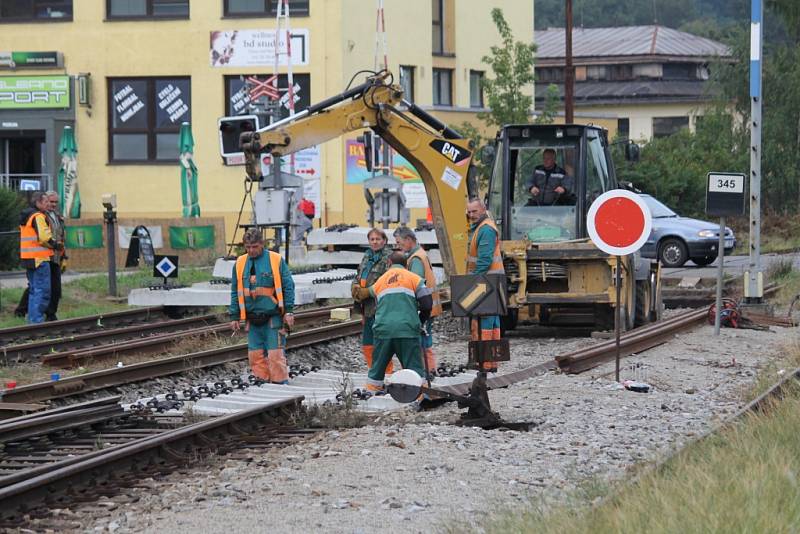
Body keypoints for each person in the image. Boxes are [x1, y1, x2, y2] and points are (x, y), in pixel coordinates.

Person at [354, 252, 433, 393]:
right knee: (413, 367)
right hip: (407, 329)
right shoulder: (415, 279)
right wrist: (419, 321)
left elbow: (368, 297)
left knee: (377, 367)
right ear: (406, 264)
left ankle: (371, 391)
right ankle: (418, 394)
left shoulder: (380, 281)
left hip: (383, 330)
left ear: (389, 263)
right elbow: (427, 304)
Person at [230, 228, 296, 384]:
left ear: (262, 244)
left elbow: (288, 286)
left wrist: (289, 311)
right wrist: (234, 315)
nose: (251, 250)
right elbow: (235, 290)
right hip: (252, 320)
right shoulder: (239, 264)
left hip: (273, 317)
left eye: (254, 246)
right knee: (255, 356)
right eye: (248, 247)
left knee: (275, 355)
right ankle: (263, 384)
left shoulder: (275, 260)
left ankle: (281, 387)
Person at [394, 226, 441, 377]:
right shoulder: (421, 254)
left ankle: (427, 373)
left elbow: (414, 286)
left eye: (399, 242)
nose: (398, 246)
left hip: (422, 309)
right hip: (428, 307)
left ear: (408, 240)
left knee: (422, 342)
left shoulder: (415, 260)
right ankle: (430, 371)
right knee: (426, 341)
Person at [465, 198, 505, 371]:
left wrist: (471, 281)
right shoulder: (482, 227)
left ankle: (484, 362)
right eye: (469, 211)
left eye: (474, 211)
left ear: (483, 210)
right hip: (490, 281)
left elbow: (485, 260)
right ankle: (490, 362)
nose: (471, 215)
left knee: (484, 322)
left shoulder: (486, 229)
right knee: (492, 321)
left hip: (485, 282)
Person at [15, 192, 69, 321]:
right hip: (41, 258)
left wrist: (63, 255)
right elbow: (45, 238)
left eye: (55, 202)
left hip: (30, 258)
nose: (50, 204)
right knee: (41, 291)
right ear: (38, 202)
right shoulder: (38, 216)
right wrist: (56, 246)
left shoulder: (29, 215)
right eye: (47, 202)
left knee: (35, 290)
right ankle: (36, 321)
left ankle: (35, 320)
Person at [351, 227, 393, 373]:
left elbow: (389, 282)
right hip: (366, 308)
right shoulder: (367, 256)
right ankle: (373, 372)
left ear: (384, 241)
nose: (375, 242)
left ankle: (387, 374)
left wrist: (368, 291)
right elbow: (359, 274)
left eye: (378, 239)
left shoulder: (389, 258)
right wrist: (355, 287)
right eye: (372, 239)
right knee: (368, 344)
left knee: (381, 344)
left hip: (380, 308)